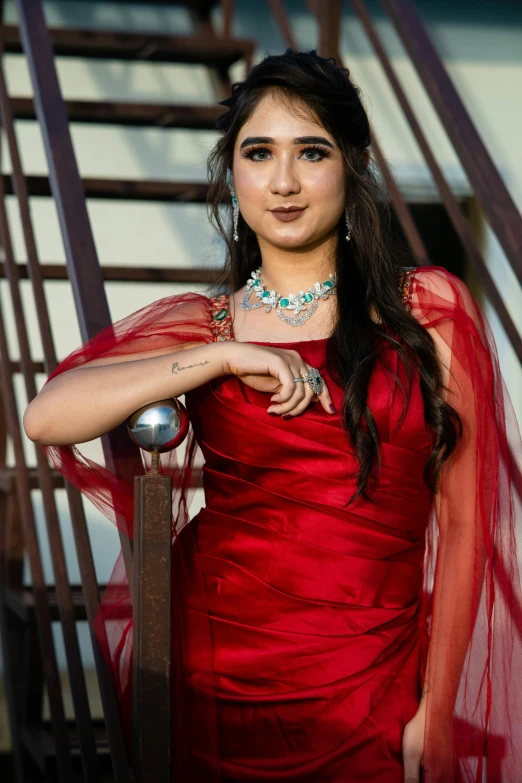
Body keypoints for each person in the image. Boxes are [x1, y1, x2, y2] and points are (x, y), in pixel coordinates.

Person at [23, 49, 522, 783]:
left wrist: (438, 706)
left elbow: (467, 520)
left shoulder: (431, 310)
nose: (283, 181)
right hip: (217, 664)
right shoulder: (211, 322)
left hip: (373, 676)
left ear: (351, 165)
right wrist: (222, 359)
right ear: (234, 173)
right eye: (259, 153)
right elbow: (46, 415)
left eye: (310, 152)